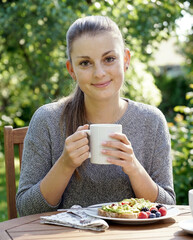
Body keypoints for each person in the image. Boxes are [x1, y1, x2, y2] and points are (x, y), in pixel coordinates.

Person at [16, 15, 176, 216]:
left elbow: (168, 206)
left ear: (126, 60)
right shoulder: (47, 120)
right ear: (71, 70)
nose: (99, 73)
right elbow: (26, 210)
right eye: (85, 63)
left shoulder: (151, 121)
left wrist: (134, 168)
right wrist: (65, 164)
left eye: (109, 59)